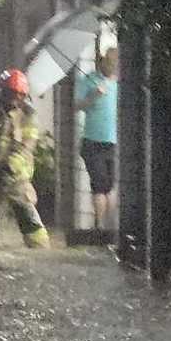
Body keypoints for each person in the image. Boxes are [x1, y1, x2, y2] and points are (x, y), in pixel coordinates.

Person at [0, 68, 50, 249]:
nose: (13, 99)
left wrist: (12, 164)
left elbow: (28, 144)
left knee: (29, 220)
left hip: (16, 177)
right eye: (10, 94)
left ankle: (39, 251)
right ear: (3, 92)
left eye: (18, 95)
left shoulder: (28, 115)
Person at [75, 45, 119, 232]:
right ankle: (99, 226)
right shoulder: (89, 80)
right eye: (108, 63)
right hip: (93, 140)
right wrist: (94, 95)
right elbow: (77, 105)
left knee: (111, 185)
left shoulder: (120, 84)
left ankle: (110, 227)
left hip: (114, 141)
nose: (111, 67)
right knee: (99, 184)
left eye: (115, 64)